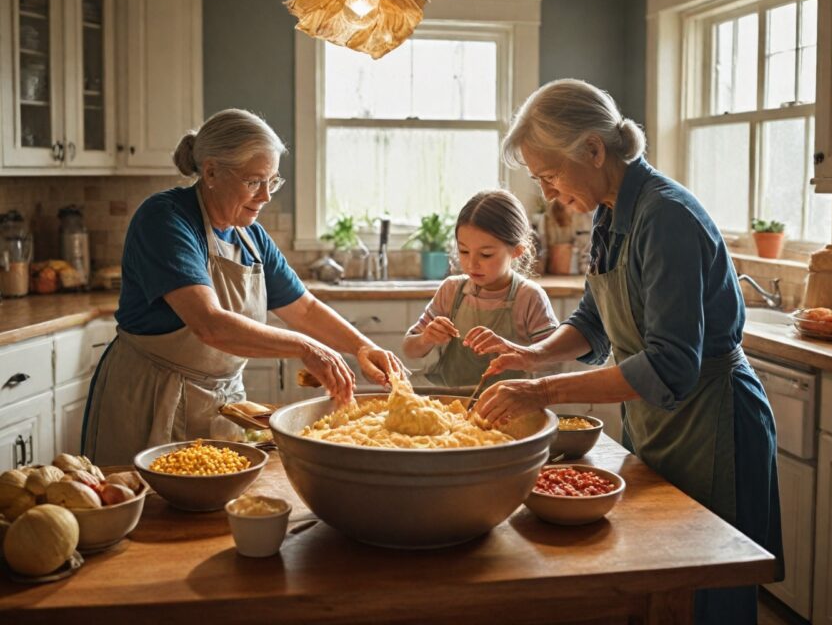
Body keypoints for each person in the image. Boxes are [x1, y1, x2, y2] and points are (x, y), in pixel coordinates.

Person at [471, 80, 783, 625]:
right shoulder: (613, 210)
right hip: (662, 421)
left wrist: (542, 390)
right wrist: (533, 355)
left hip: (715, 424)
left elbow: (669, 364)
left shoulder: (667, 217)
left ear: (594, 149)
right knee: (662, 586)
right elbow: (595, 318)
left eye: (549, 175)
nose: (547, 194)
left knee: (706, 592)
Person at [82, 108, 404, 465]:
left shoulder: (250, 235)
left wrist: (363, 347)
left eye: (273, 181)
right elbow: (210, 324)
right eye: (254, 181)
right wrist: (306, 347)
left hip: (221, 402)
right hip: (151, 396)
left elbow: (304, 308)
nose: (266, 195)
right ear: (211, 172)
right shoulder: (165, 218)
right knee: (152, 511)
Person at [402, 190, 558, 393]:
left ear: (517, 250)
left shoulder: (528, 297)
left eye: (485, 254)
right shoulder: (451, 291)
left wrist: (511, 350)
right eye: (464, 251)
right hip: (451, 403)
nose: (471, 263)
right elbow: (409, 349)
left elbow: (551, 360)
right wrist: (426, 338)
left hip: (508, 405)